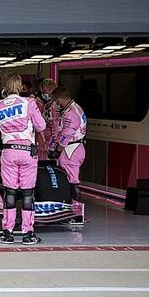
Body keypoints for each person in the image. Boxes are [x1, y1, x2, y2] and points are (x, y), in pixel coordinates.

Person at [0, 74, 47, 244]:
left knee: (10, 192)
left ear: (5, 87)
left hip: (8, 152)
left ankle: (7, 232)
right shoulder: (28, 103)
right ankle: (28, 233)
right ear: (20, 86)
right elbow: (41, 126)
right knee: (28, 193)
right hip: (28, 152)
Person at [52, 86, 87, 226]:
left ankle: (77, 214)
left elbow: (67, 134)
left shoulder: (71, 113)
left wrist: (58, 150)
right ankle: (72, 213)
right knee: (71, 180)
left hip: (71, 149)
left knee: (72, 181)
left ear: (60, 99)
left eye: (55, 100)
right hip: (75, 148)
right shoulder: (76, 108)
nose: (55, 103)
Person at [35, 78, 59, 160]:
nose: (43, 94)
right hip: (44, 141)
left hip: (51, 141)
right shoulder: (47, 105)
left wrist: (53, 145)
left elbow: (56, 127)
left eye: (45, 91)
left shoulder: (56, 105)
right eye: (42, 92)